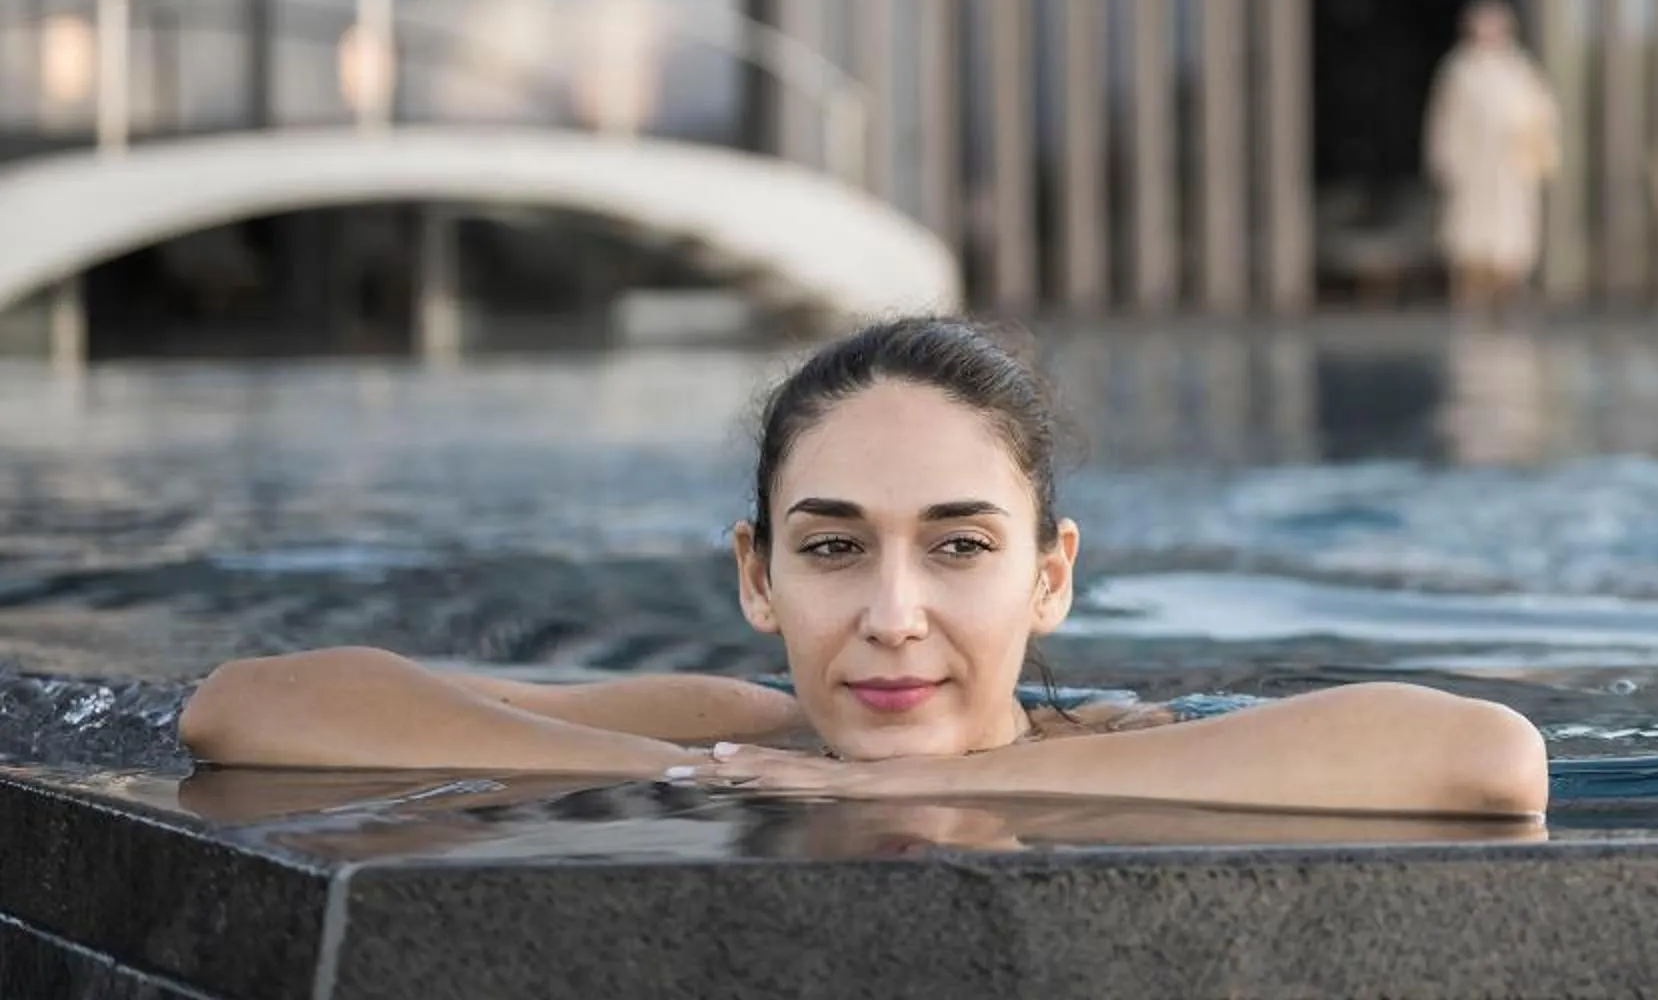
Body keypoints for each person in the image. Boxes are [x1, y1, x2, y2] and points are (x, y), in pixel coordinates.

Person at [178, 319, 1549, 818]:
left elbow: (1491, 761)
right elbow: (246, 708)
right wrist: (673, 774)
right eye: (834, 549)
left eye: (960, 547)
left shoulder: (1122, 745)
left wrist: (989, 774)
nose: (895, 618)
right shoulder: (732, 730)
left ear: (1052, 579)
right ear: (756, 576)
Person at [1421, 0, 1562, 312]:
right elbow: (1445, 122)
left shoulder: (1520, 70)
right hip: (1475, 171)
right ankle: (1470, 298)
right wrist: (1447, 162)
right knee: (1471, 241)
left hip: (1510, 170)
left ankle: (1509, 296)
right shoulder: (1460, 71)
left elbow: (1542, 116)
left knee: (1511, 241)